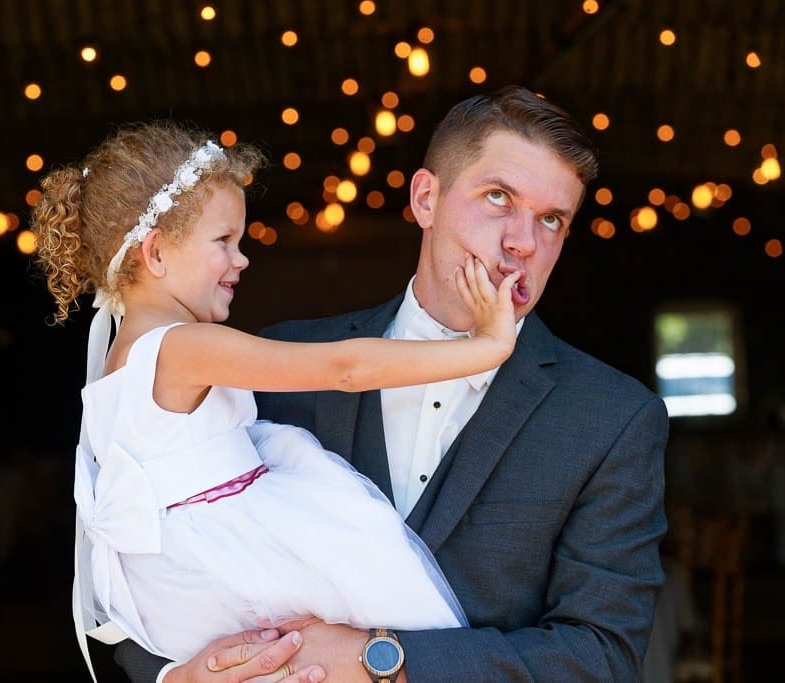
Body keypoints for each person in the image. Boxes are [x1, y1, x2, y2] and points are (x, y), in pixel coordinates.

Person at [115, 86, 669, 682]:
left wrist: (383, 661)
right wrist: (179, 678)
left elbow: (601, 658)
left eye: (552, 220)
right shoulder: (281, 364)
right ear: (426, 199)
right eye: (498, 198)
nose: (523, 243)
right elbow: (141, 554)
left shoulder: (613, 418)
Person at [30, 121, 529, 682]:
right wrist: (486, 347)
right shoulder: (179, 347)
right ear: (156, 251)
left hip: (175, 587)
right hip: (235, 555)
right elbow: (344, 368)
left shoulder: (116, 359)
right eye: (223, 242)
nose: (241, 260)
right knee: (389, 604)